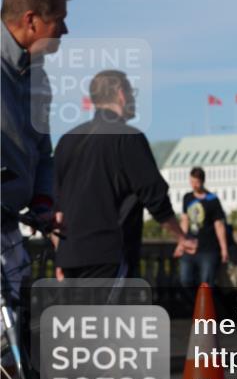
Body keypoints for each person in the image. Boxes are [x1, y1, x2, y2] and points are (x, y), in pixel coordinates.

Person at [53, 70, 195, 279]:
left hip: (69, 258)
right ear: (121, 94)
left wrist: (60, 256)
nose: (133, 99)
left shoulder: (67, 140)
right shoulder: (128, 138)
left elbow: (56, 207)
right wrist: (181, 237)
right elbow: (155, 197)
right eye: (131, 92)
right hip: (109, 255)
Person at [1, 0, 71, 300]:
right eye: (59, 20)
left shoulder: (38, 76)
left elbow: (43, 152)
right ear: (31, 21)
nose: (65, 30)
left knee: (13, 325)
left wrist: (43, 202)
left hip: (10, 231)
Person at [178, 166, 229, 288]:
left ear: (202, 181)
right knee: (185, 280)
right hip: (189, 247)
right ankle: (192, 300)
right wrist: (181, 243)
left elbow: (219, 225)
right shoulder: (187, 198)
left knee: (206, 284)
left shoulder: (212, 200)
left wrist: (224, 249)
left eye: (196, 182)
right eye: (191, 182)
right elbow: (184, 221)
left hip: (208, 249)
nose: (193, 185)